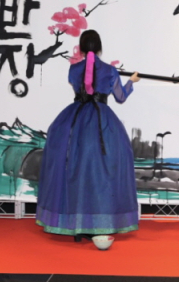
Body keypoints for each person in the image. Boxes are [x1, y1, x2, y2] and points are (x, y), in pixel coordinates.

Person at [36, 29, 140, 243]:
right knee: (101, 174)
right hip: (103, 124)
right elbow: (120, 97)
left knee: (74, 173)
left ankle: (76, 225)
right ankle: (99, 223)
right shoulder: (110, 71)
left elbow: (84, 83)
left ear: (82, 48)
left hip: (74, 123)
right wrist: (131, 81)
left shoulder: (73, 70)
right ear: (99, 47)